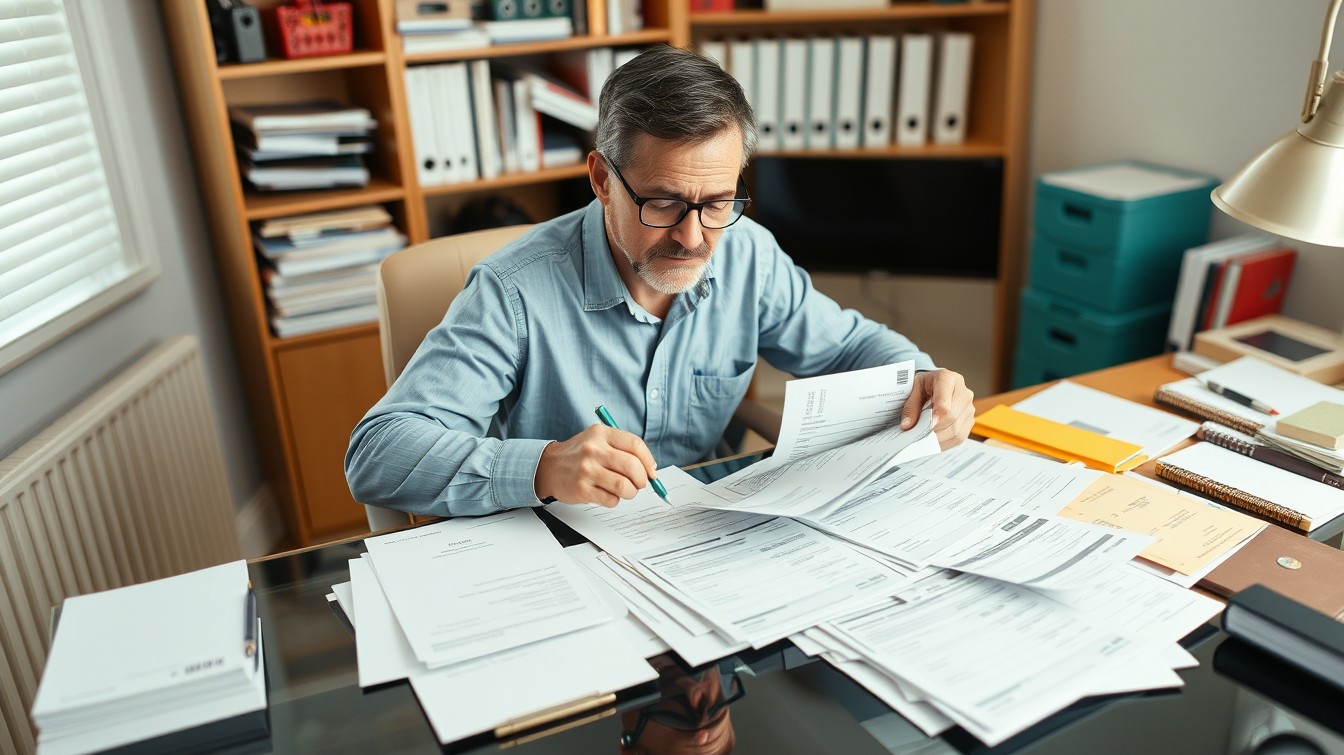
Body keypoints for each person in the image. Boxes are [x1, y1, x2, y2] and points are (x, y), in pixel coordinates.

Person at [345, 45, 975, 518]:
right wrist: (544, 466)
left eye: (718, 202)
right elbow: (378, 452)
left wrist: (924, 380)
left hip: (708, 539)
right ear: (599, 178)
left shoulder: (747, 254)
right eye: (665, 203)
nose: (695, 237)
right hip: (565, 552)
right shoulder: (512, 292)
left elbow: (851, 350)